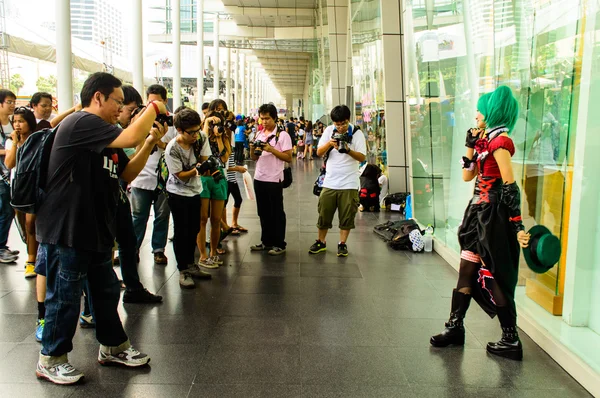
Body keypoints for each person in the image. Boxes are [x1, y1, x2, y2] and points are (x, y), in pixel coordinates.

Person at [35, 72, 169, 385]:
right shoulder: (81, 122)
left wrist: (150, 140)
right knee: (64, 297)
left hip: (94, 229)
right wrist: (153, 106)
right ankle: (50, 359)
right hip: (66, 230)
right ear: (98, 97)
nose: (121, 110)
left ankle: (112, 346)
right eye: (118, 102)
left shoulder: (105, 136)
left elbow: (127, 174)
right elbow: (130, 136)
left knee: (106, 293)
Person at [429, 86, 530, 362]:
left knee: (494, 273)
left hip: (493, 215)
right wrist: (470, 146)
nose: (476, 115)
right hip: (478, 212)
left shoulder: (500, 143)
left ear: (492, 112)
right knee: (467, 268)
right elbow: (466, 176)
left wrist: (517, 224)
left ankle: (511, 338)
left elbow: (510, 186)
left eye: (480, 110)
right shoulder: (486, 141)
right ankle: (455, 327)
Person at [112, 85, 163, 304]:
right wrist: (151, 112)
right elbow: (131, 143)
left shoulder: (119, 129)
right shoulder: (104, 128)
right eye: (131, 109)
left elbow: (131, 166)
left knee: (127, 240)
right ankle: (90, 306)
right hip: (97, 201)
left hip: (118, 193)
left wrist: (150, 140)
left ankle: (132, 286)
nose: (133, 115)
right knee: (110, 246)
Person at [309, 105, 366, 257]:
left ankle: (342, 244)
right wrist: (330, 143)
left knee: (347, 216)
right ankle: (321, 241)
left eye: (343, 124)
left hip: (350, 182)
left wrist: (348, 150)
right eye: (337, 124)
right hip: (330, 182)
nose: (340, 127)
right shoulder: (329, 131)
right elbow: (319, 152)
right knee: (324, 213)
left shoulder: (357, 133)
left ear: (349, 120)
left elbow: (362, 157)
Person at [165, 107, 212, 288]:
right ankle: (183, 269)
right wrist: (198, 169)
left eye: (197, 130)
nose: (195, 135)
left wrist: (203, 166)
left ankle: (192, 265)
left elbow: (205, 159)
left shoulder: (201, 138)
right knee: (181, 232)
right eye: (191, 132)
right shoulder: (172, 149)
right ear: (179, 130)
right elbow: (180, 175)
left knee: (194, 228)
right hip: (177, 193)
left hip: (195, 191)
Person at [129, 84, 176, 265]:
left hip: (165, 178)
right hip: (141, 176)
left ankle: (158, 250)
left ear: (165, 101)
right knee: (138, 216)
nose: (153, 106)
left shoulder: (172, 121)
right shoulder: (140, 119)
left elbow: (175, 147)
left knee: (162, 216)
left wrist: (159, 141)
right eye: (150, 102)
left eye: (157, 102)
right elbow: (132, 143)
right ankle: (132, 250)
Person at [250, 103, 292, 256]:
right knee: (263, 212)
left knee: (276, 212)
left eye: (267, 118)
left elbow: (289, 158)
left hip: (274, 179)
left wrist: (271, 149)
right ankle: (266, 241)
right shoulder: (259, 134)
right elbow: (254, 157)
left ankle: (279, 243)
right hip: (259, 177)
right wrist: (252, 148)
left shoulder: (283, 135)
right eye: (262, 119)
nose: (264, 122)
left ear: (274, 118)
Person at [197, 100, 232, 268]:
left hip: (219, 179)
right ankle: (203, 255)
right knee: (202, 219)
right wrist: (207, 125)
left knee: (216, 219)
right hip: (203, 178)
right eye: (212, 123)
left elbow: (224, 157)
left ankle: (213, 252)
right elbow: (201, 147)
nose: (214, 126)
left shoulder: (224, 136)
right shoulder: (199, 134)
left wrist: (219, 136)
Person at [4, 107, 38, 278]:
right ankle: (32, 252)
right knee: (23, 224)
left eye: (21, 121)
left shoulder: (37, 139)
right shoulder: (12, 142)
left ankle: (31, 260)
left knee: (31, 222)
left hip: (33, 185)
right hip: (17, 186)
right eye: (15, 121)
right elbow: (9, 164)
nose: (17, 125)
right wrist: (16, 143)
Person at [0, 89, 18, 264]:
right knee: (5, 211)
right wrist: (10, 150)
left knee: (8, 211)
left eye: (14, 102)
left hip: (11, 175)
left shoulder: (13, 123)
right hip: (2, 176)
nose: (12, 105)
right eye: (9, 102)